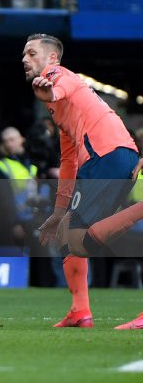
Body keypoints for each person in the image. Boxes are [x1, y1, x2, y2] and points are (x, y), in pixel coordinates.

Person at [23, 34, 142, 329]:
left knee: (78, 239)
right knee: (68, 232)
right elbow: (68, 162)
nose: (24, 59)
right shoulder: (65, 112)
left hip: (107, 155)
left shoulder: (59, 75)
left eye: (31, 53)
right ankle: (80, 312)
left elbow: (58, 86)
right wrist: (58, 212)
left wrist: (49, 92)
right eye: (23, 55)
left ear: (51, 58)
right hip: (115, 157)